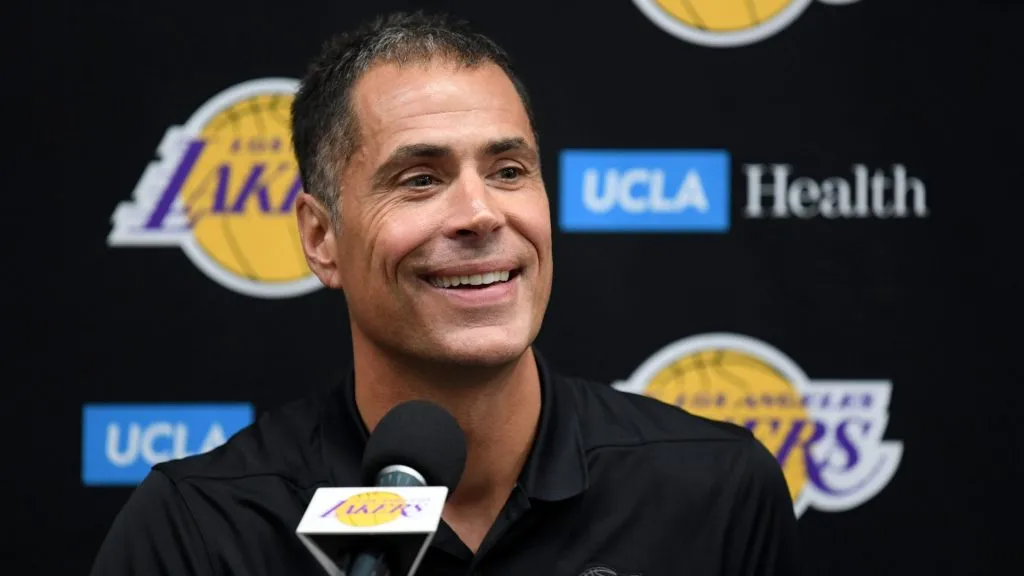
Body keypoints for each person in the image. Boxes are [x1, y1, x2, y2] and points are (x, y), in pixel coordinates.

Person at [90, 11, 800, 576]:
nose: (482, 213)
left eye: (509, 170)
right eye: (420, 179)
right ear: (319, 237)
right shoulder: (199, 529)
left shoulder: (715, 492)